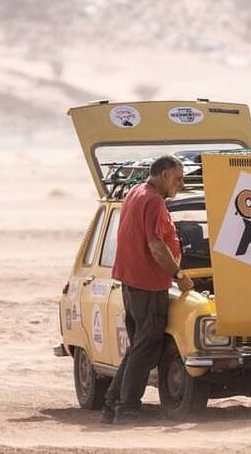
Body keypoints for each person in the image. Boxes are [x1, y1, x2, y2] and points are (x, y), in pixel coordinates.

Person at [101, 155, 195, 425]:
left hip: (131, 282)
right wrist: (177, 274)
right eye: (178, 178)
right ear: (164, 175)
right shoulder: (153, 200)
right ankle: (127, 408)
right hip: (147, 283)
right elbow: (155, 245)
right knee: (146, 348)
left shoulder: (135, 192)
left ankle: (112, 405)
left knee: (138, 347)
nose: (181, 183)